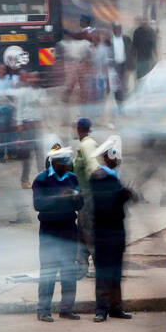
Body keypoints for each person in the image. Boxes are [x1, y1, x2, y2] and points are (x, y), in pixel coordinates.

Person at [33, 143, 84, 322]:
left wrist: (77, 198)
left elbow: (79, 205)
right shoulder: (41, 179)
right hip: (49, 230)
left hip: (69, 228)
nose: (67, 167)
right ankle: (43, 310)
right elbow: (38, 205)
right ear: (54, 163)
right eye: (63, 164)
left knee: (69, 271)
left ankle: (67, 309)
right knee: (48, 270)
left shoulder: (72, 178)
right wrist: (60, 196)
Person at [90, 137, 134, 321]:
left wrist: (127, 195)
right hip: (104, 232)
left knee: (116, 271)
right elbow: (105, 204)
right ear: (109, 156)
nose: (118, 160)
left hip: (117, 231)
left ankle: (116, 307)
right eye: (116, 156)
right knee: (103, 272)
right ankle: (101, 309)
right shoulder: (99, 176)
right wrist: (123, 196)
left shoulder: (114, 176)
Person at [73, 118, 100, 275]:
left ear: (78, 129)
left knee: (89, 231)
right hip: (84, 197)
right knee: (82, 231)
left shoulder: (86, 145)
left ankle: (99, 265)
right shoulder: (85, 144)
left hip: (89, 196)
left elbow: (92, 166)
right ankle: (82, 264)